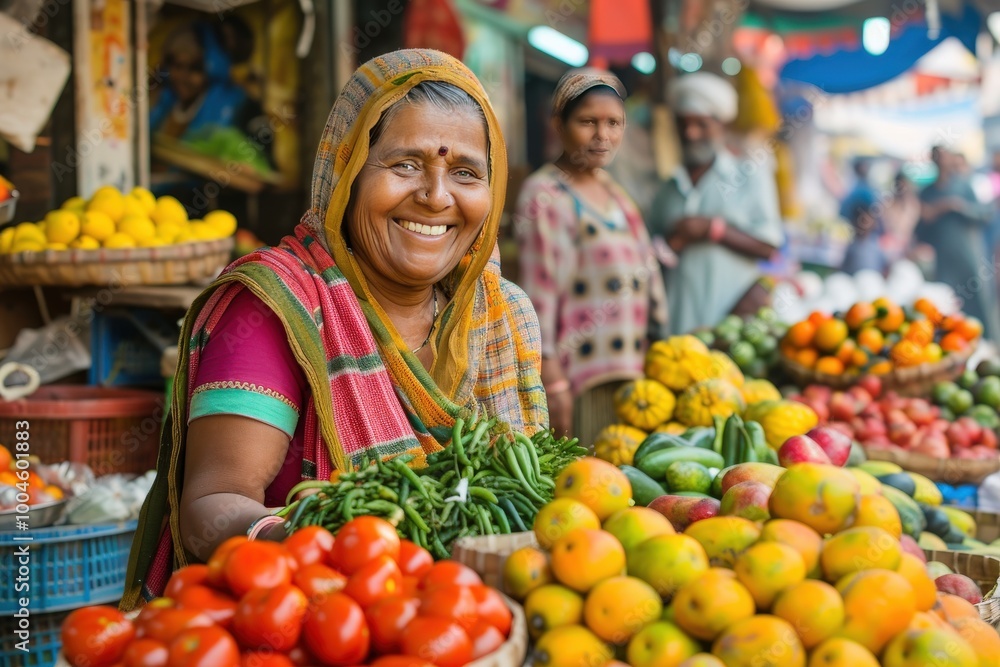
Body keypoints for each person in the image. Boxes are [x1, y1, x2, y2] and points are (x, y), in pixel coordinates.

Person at [122, 49, 548, 609]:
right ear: (346, 171)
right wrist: (330, 550)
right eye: (406, 165)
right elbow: (213, 504)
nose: (437, 196)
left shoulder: (500, 315)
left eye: (466, 173)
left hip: (468, 622)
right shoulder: (278, 309)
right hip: (309, 616)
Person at [514, 68, 667, 443]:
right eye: (588, 122)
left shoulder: (613, 191)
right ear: (558, 125)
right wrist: (553, 384)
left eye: (614, 123)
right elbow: (540, 295)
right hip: (578, 379)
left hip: (630, 376)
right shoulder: (546, 195)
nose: (603, 136)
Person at [647, 71, 784, 335]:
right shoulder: (666, 189)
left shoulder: (749, 176)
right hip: (673, 330)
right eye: (683, 124)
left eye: (701, 124)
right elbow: (653, 257)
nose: (691, 133)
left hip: (730, 330)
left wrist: (713, 230)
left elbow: (769, 247)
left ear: (721, 125)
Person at [149, 21, 272, 173]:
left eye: (195, 68)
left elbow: (263, 167)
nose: (182, 76)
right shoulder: (164, 102)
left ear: (213, 68)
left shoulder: (242, 105)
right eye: (176, 65)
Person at [916, 146, 1000, 342]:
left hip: (968, 255)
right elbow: (921, 230)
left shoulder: (963, 186)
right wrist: (931, 214)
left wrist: (956, 206)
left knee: (979, 303)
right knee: (948, 306)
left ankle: (990, 345)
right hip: (944, 259)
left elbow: (985, 215)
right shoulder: (927, 193)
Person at [840, 189, 886, 274]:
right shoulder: (851, 245)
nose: (864, 225)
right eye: (862, 221)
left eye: (867, 221)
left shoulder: (877, 245)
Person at [881, 170, 921, 263]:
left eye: (906, 185)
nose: (904, 188)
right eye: (901, 185)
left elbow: (909, 231)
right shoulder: (887, 203)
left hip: (906, 248)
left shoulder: (913, 205)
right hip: (887, 248)